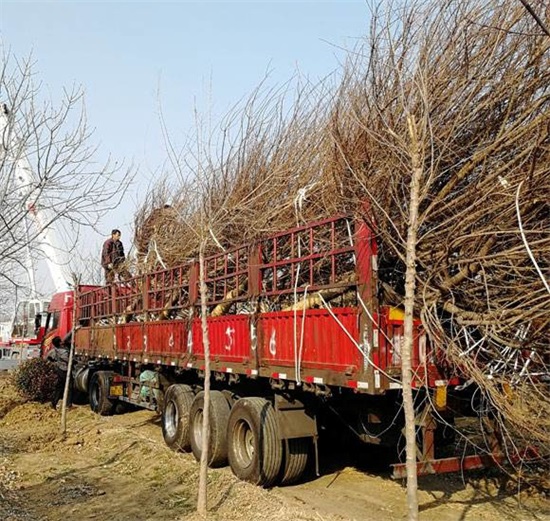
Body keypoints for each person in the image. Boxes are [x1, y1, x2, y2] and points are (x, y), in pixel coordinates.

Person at [46, 336, 72, 410]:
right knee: (69, 387)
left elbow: (47, 358)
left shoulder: (54, 350)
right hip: (65, 370)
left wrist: (54, 362)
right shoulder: (64, 351)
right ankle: (68, 405)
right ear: (60, 342)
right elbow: (68, 360)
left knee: (59, 387)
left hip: (59, 370)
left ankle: (54, 403)